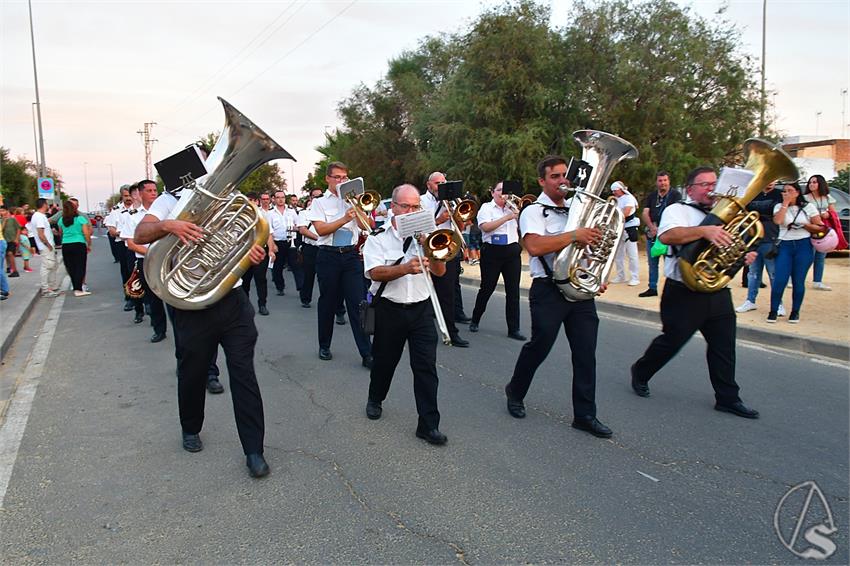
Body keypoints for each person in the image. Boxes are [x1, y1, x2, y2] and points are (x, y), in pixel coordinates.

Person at [135, 185, 271, 478]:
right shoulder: (169, 201)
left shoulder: (230, 199)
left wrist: (253, 253)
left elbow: (250, 242)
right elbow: (140, 234)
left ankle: (254, 450)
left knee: (243, 374)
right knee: (192, 371)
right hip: (191, 305)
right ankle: (190, 427)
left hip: (232, 300)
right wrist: (168, 225)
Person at [630, 166, 760, 419]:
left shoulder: (727, 214)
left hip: (717, 290)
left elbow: (728, 249)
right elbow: (668, 236)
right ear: (690, 188)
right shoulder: (678, 210)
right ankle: (641, 371)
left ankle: (727, 397)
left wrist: (742, 256)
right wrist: (704, 230)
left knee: (724, 346)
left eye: (715, 183)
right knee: (672, 342)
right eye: (705, 184)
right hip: (683, 290)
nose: (712, 189)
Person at [505, 155, 612, 438]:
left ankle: (585, 415)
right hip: (549, 290)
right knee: (540, 347)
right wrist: (575, 234)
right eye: (555, 176)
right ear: (542, 181)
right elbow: (535, 246)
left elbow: (590, 251)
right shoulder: (534, 211)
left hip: (579, 292)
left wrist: (596, 276)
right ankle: (515, 391)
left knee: (586, 354)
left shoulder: (581, 210)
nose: (563, 180)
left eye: (565, 175)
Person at [363, 184, 449, 445]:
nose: (411, 211)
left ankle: (428, 424)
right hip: (390, 309)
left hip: (421, 310)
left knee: (426, 368)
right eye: (405, 206)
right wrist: (404, 269)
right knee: (384, 362)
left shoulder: (429, 235)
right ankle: (375, 397)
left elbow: (440, 272)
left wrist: (429, 249)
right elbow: (374, 273)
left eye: (415, 207)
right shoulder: (378, 237)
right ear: (393, 208)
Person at [308, 162, 373, 367]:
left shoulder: (353, 200)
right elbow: (321, 230)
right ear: (327, 179)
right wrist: (345, 218)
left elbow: (365, 227)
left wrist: (357, 207)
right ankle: (324, 345)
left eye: (344, 177)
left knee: (359, 304)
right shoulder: (319, 203)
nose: (341, 181)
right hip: (328, 256)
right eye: (337, 177)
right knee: (328, 302)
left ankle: (367, 353)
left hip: (351, 256)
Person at [468, 182, 525, 340]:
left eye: (505, 191)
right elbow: (485, 227)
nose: (503, 193)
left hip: (512, 251)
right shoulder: (486, 208)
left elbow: (525, 229)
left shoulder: (514, 208)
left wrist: (519, 215)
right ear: (492, 192)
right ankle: (475, 319)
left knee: (513, 292)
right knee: (487, 288)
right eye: (499, 190)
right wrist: (507, 217)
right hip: (492, 252)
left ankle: (514, 329)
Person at [419, 171, 469, 347]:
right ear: (429, 185)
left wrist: (456, 214)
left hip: (449, 250)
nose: (441, 186)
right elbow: (420, 227)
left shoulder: (450, 201)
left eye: (443, 182)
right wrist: (439, 219)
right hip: (429, 250)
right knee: (425, 293)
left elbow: (461, 228)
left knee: (449, 293)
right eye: (437, 183)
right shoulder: (421, 202)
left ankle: (451, 330)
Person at [768, 181, 824, 323]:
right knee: (780, 279)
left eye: (789, 191)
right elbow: (778, 221)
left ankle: (795, 311)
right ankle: (773, 310)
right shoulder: (778, 206)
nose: (786, 193)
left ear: (797, 193)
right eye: (784, 191)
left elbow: (820, 227)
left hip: (803, 245)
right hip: (784, 245)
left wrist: (805, 225)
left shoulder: (808, 207)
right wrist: (785, 204)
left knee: (798, 280)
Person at [125, 180, 168, 342]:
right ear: (140, 194)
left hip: (168, 260)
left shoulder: (167, 211)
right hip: (148, 262)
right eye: (149, 190)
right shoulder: (134, 216)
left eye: (154, 190)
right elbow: (131, 243)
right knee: (154, 298)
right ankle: (159, 329)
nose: (153, 193)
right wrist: (154, 253)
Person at [735, 181, 785, 315]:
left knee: (773, 273)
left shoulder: (779, 195)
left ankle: (778, 304)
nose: (770, 183)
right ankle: (750, 301)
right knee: (753, 273)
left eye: (773, 180)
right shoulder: (752, 194)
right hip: (753, 237)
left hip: (770, 236)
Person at [639, 171, 681, 297]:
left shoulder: (675, 195)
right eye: (660, 180)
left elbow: (676, 213)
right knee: (652, 263)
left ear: (669, 181)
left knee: (670, 262)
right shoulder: (652, 196)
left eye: (665, 180)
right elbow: (645, 212)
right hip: (653, 234)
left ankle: (671, 291)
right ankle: (652, 287)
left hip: (668, 235)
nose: (662, 183)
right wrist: (652, 227)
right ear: (656, 182)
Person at [240, 192, 273, 316]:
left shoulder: (263, 214)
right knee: (244, 281)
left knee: (261, 280)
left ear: (257, 201)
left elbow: (269, 233)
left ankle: (262, 305)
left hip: (259, 252)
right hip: (244, 253)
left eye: (254, 200)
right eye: (249, 199)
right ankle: (245, 306)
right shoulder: (240, 215)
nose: (252, 202)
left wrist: (270, 250)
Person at [804, 174, 836, 291]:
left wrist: (827, 214)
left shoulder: (827, 198)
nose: (811, 184)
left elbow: (833, 213)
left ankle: (818, 281)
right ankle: (794, 278)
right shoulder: (806, 198)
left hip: (823, 230)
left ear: (820, 184)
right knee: (808, 256)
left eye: (814, 182)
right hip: (810, 229)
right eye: (810, 182)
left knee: (820, 256)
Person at [58, 199, 92, 297]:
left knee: (70, 267)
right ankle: (78, 288)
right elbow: (86, 233)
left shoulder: (61, 220)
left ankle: (75, 286)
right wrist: (89, 244)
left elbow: (61, 233)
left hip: (66, 245)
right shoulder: (80, 219)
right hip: (79, 243)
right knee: (80, 266)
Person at [609, 181, 640, 286]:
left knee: (632, 254)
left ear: (620, 189)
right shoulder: (616, 200)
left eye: (615, 190)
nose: (614, 192)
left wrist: (614, 215)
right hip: (618, 228)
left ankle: (635, 277)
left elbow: (626, 212)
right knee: (618, 254)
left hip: (629, 227)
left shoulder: (629, 199)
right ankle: (620, 275)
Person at [31, 198, 62, 297]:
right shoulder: (39, 217)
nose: (48, 206)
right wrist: (48, 245)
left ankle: (52, 287)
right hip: (45, 246)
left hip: (47, 245)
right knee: (47, 266)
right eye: (47, 204)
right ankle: (45, 289)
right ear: (44, 204)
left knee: (53, 265)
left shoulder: (40, 216)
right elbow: (41, 234)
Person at [268, 190, 296, 296]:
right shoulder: (270, 213)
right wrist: (272, 245)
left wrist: (294, 228)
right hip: (278, 242)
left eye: (283, 197)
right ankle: (280, 286)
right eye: (278, 197)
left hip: (290, 241)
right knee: (278, 266)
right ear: (274, 199)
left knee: (295, 265)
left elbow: (298, 224)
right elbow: (269, 230)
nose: (281, 199)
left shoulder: (291, 211)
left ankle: (301, 286)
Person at [1, 206, 21, 278]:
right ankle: (9, 267)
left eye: (3, 210)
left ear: (7, 211)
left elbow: (18, 228)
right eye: (0, 211)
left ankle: (15, 270)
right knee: (6, 255)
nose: (2, 212)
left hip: (12, 239)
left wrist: (17, 238)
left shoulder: (13, 219)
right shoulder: (1, 220)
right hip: (4, 240)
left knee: (10, 253)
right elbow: (1, 229)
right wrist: (4, 221)